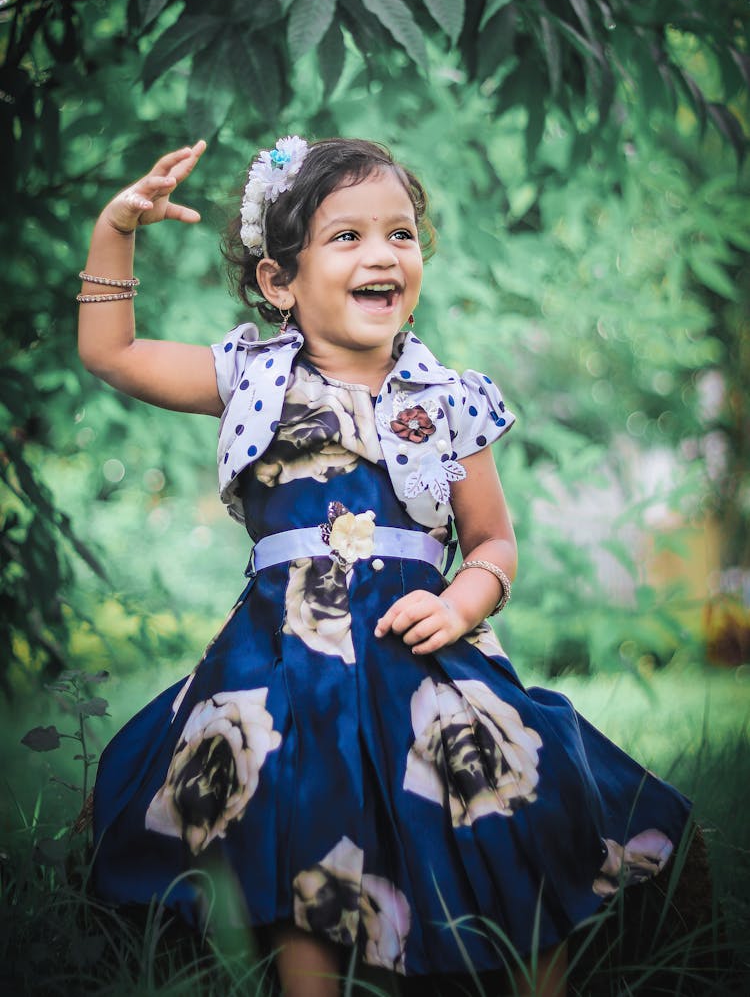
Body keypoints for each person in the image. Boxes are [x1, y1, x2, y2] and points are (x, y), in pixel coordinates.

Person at [79, 136, 692, 997]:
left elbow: (492, 540)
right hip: (288, 663)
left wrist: (467, 599)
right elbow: (114, 354)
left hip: (422, 655)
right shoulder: (252, 378)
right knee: (294, 797)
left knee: (513, 801)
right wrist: (116, 229)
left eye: (400, 235)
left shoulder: (448, 400)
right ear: (278, 283)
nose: (382, 254)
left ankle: (520, 968)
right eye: (347, 237)